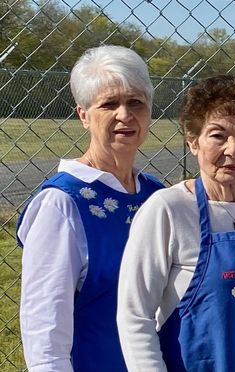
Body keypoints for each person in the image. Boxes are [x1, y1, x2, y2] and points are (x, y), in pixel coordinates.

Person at [116, 75, 235, 371]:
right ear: (193, 142)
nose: (233, 150)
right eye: (218, 135)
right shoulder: (168, 209)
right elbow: (135, 316)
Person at [16, 45, 163, 372]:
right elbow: (45, 330)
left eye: (136, 102)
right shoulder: (62, 203)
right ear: (83, 115)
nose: (124, 115)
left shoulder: (157, 194)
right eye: (109, 104)